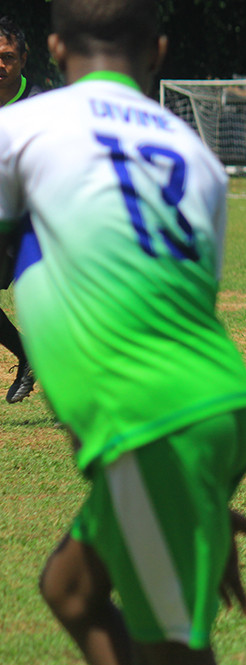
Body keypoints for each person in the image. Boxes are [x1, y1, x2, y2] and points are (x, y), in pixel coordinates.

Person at [0, 1, 246, 665]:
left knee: (173, 653)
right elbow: (186, 305)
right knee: (71, 589)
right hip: (214, 401)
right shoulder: (196, 158)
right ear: (159, 52)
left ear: (54, 48)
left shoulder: (20, 128)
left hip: (152, 423)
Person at [0, 15, 45, 403]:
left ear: (23, 59)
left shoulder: (40, 105)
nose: (0, 64)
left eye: (8, 56)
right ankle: (29, 356)